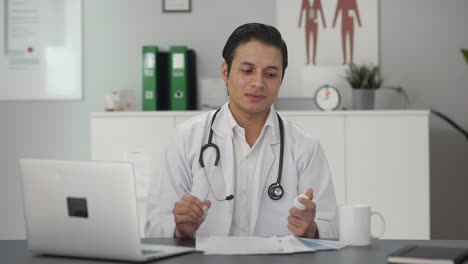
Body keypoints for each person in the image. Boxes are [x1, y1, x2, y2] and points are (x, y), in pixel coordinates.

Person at [145, 23, 338, 239]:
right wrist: (179, 228)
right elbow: (155, 224)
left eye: (271, 74)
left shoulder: (305, 146)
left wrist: (312, 229)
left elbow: (330, 225)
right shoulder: (185, 139)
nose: (258, 83)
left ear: (281, 78)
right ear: (226, 72)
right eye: (247, 71)